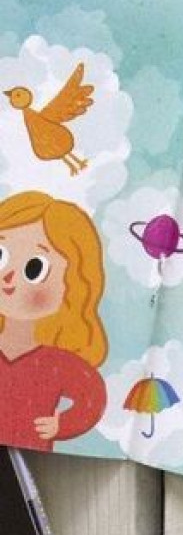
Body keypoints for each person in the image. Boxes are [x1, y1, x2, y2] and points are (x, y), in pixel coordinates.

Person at [0, 191, 108, 451]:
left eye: (34, 268)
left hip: (29, 450)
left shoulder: (56, 364)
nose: (8, 277)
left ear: (71, 285)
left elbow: (92, 397)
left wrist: (63, 425)